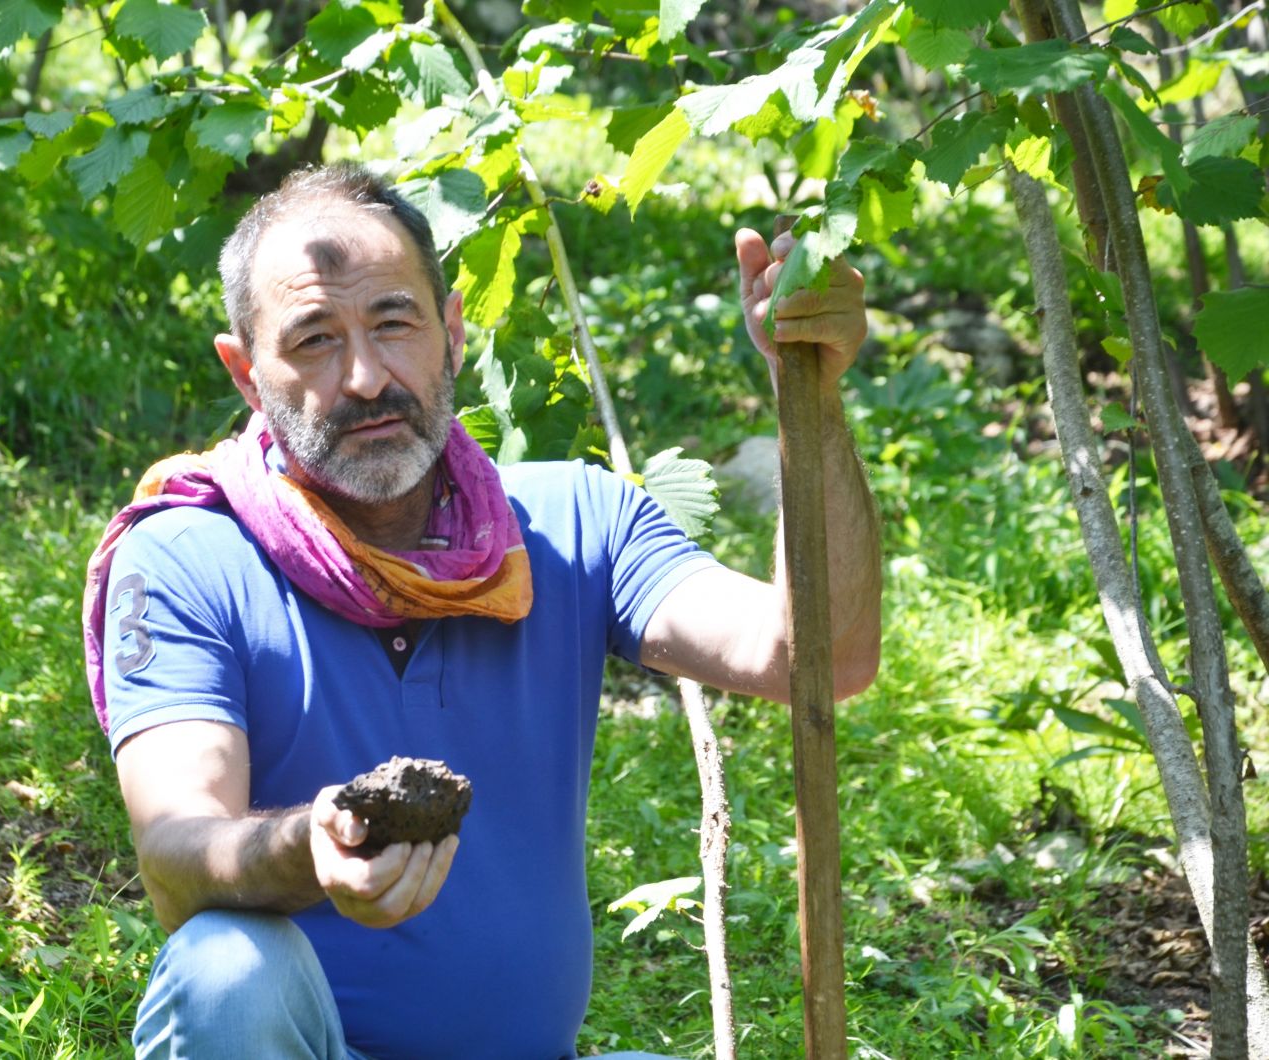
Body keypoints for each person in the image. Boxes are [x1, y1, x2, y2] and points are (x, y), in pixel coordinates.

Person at [81, 163, 881, 1060]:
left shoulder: (572, 520)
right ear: (246, 374)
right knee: (226, 964)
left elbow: (824, 656)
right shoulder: (188, 554)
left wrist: (807, 392)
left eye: (395, 323)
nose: (365, 376)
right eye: (313, 339)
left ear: (453, 332)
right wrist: (310, 845)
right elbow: (177, 851)